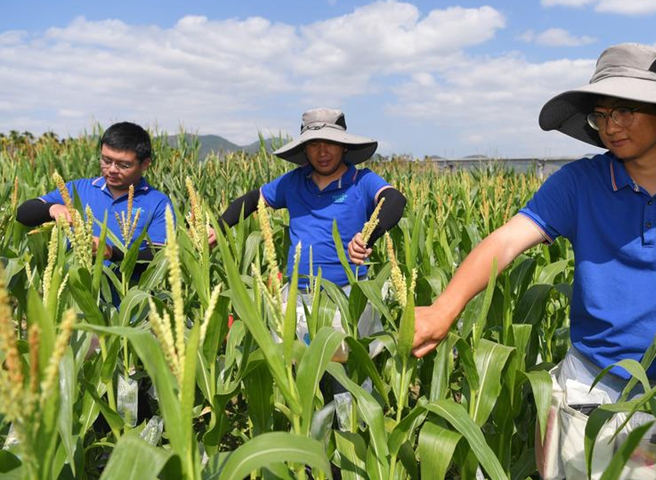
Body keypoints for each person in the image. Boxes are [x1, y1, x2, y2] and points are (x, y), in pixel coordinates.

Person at [411, 43, 656, 477]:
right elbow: (504, 243)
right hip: (589, 391)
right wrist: (445, 308)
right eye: (601, 115)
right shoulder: (579, 183)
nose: (611, 127)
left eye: (625, 112)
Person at [209, 107, 406, 345]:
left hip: (347, 297)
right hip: (298, 296)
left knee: (347, 375)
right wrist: (216, 228)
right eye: (314, 144)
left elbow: (394, 200)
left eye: (330, 143)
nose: (322, 152)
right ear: (304, 149)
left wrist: (366, 237)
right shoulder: (293, 181)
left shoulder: (361, 181)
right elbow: (252, 200)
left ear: (344, 146)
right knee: (296, 373)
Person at [16, 121, 172, 278]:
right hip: (74, 297)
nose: (111, 170)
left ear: (145, 164)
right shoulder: (77, 189)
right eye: (106, 160)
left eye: (123, 165)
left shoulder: (158, 203)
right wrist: (52, 208)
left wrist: (112, 253)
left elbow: (160, 258)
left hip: (126, 299)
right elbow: (23, 214)